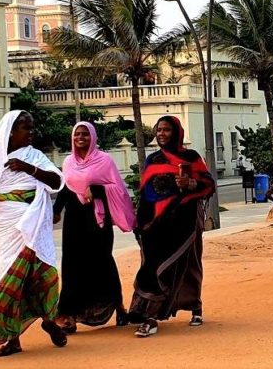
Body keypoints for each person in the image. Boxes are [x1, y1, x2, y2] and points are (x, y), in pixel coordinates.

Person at [0, 111, 67, 357]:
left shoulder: (35, 156)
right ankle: (13, 339)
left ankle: (50, 322)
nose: (31, 133)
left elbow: (56, 182)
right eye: (26, 129)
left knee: (39, 277)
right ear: (11, 131)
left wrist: (30, 169)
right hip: (2, 226)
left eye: (32, 128)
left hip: (31, 224)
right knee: (6, 279)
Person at [130, 116, 216, 338]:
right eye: (158, 130)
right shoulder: (153, 160)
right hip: (157, 224)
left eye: (166, 130)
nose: (161, 134)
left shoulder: (191, 157)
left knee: (189, 264)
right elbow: (146, 195)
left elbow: (208, 185)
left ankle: (194, 305)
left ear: (176, 132)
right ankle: (150, 314)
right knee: (154, 265)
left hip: (185, 221)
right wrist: (141, 223)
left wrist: (191, 184)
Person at [53, 122, 137, 333]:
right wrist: (56, 210)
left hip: (97, 218)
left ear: (93, 137)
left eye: (85, 134)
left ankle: (118, 307)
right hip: (73, 218)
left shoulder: (104, 161)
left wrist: (97, 189)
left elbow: (118, 188)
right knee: (72, 265)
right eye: (77, 134)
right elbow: (66, 188)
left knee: (102, 262)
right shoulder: (68, 162)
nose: (81, 138)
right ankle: (69, 314)